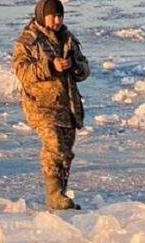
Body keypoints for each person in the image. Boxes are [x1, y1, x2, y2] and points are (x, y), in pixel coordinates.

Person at [12, 0, 89, 211]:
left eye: (60, 16)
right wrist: (50, 66)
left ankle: (61, 194)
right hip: (42, 106)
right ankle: (54, 195)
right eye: (53, 16)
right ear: (41, 16)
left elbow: (85, 68)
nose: (57, 21)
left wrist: (74, 66)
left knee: (66, 152)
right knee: (54, 147)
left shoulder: (68, 38)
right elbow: (22, 72)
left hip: (68, 104)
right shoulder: (28, 40)